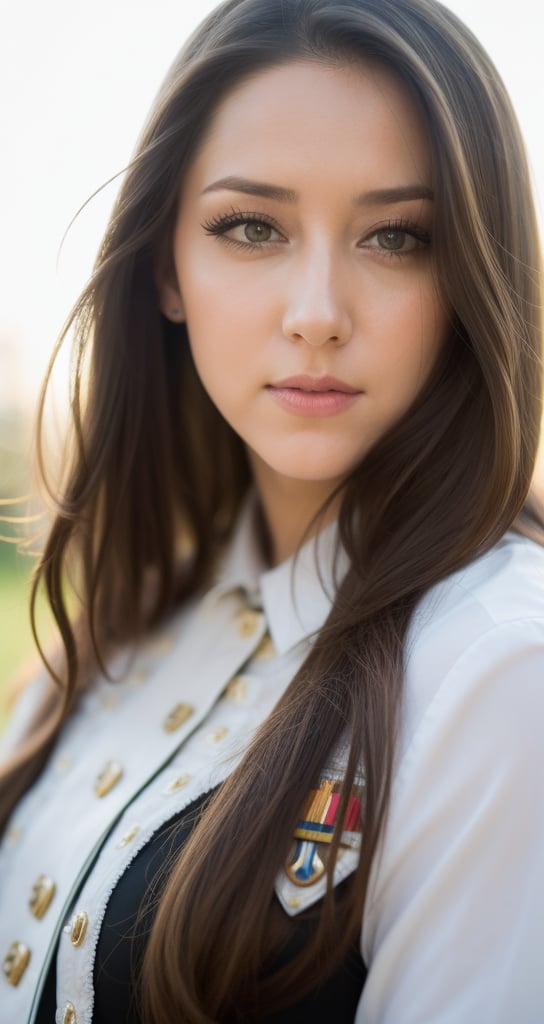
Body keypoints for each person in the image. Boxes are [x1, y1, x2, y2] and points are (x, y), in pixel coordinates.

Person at [1, 0, 543, 1021]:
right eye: (251, 226)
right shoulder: (123, 628)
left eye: (396, 236)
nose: (316, 314)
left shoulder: (500, 671)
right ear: (166, 266)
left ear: (470, 273)